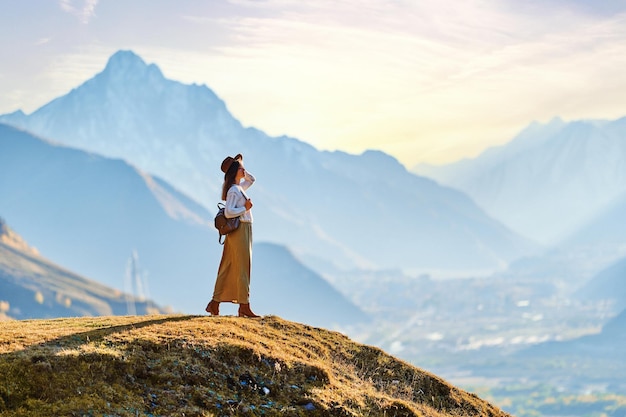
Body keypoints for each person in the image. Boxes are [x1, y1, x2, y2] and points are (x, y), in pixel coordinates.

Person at [206, 153, 260, 318]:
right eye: (241, 168)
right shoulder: (234, 191)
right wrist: (246, 208)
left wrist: (242, 166)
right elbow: (229, 213)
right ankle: (244, 305)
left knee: (228, 265)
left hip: (242, 229)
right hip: (241, 230)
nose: (244, 170)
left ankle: (214, 303)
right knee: (243, 266)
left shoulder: (238, 188)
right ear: (235, 171)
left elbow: (252, 180)